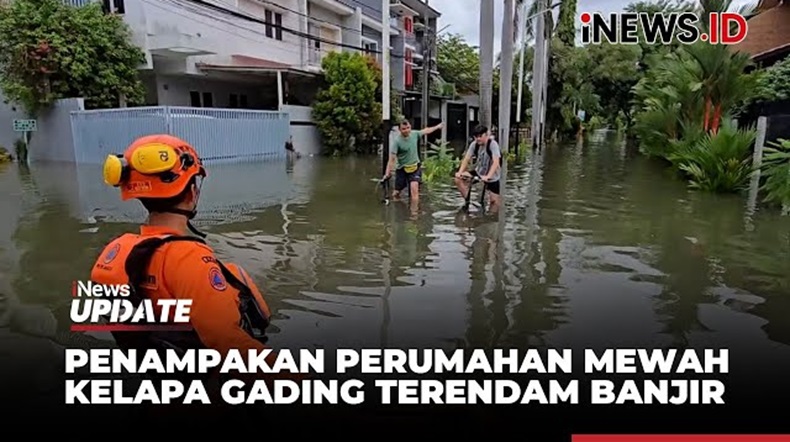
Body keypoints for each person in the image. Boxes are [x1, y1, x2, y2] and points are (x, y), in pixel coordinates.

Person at [91, 134, 276, 362]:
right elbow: (233, 347)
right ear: (191, 193)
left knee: (231, 272)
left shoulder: (114, 253)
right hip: (209, 377)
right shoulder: (189, 259)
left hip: (161, 372)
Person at [383, 119, 443, 203]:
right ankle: (397, 205)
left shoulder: (414, 134)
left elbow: (426, 130)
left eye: (408, 128)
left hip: (415, 167)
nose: (406, 130)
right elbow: (392, 159)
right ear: (399, 130)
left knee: (414, 190)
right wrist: (387, 173)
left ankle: (414, 210)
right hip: (402, 169)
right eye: (404, 129)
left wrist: (437, 127)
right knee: (396, 193)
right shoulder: (397, 142)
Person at [454, 124, 502, 212]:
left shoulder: (493, 144)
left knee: (494, 203)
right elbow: (466, 159)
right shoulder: (474, 144)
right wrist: (460, 172)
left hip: (493, 176)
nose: (478, 139)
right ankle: (468, 200)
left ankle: (491, 216)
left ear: (486, 135)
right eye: (476, 137)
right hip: (479, 172)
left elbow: (496, 162)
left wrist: (488, 176)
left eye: (480, 136)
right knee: (458, 179)